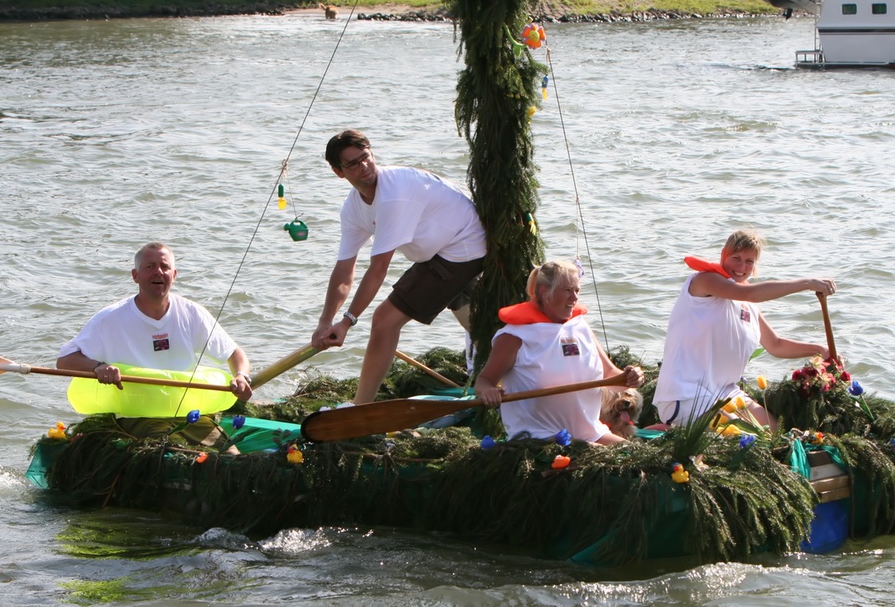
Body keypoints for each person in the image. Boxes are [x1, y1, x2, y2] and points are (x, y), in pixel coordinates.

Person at [312, 129, 487, 404]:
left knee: (384, 320)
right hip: (440, 247)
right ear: (338, 172)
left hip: (463, 244)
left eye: (366, 157)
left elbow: (378, 269)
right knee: (478, 321)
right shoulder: (353, 208)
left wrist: (347, 321)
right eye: (353, 164)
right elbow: (344, 270)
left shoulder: (392, 196)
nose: (364, 167)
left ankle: (361, 407)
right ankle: (500, 372)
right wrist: (325, 322)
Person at [57, 242, 253, 447]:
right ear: (135, 276)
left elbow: (235, 354)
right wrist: (98, 367)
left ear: (174, 274)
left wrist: (241, 376)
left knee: (229, 455)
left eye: (164, 267)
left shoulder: (192, 313)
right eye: (150, 267)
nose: (158, 272)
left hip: (189, 412)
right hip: (137, 414)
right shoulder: (109, 319)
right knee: (173, 451)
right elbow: (65, 360)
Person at [654, 230, 837, 430]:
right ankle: (659, 431)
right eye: (736, 258)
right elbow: (749, 293)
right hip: (686, 395)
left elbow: (776, 345)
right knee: (751, 437)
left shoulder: (748, 305)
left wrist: (820, 350)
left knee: (776, 432)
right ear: (724, 254)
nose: (742, 267)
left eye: (750, 261)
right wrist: (807, 283)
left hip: (726, 393)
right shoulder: (704, 281)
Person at [475, 260, 644, 445]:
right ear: (543, 292)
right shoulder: (513, 337)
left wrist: (630, 378)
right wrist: (488, 392)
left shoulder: (580, 327)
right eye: (567, 290)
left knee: (636, 454)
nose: (574, 298)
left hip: (591, 432)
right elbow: (484, 381)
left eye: (577, 290)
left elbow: (611, 375)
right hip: (540, 436)